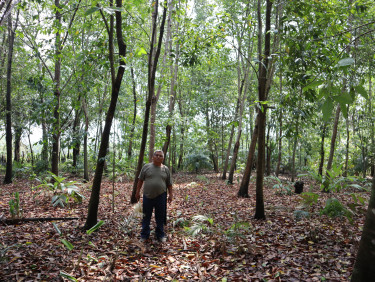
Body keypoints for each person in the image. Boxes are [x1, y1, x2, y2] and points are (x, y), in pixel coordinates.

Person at [135, 150, 173, 242]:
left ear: (163, 158)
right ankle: (144, 235)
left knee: (160, 216)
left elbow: (169, 183)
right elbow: (140, 180)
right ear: (153, 157)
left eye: (160, 156)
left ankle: (160, 235)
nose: (158, 157)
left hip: (161, 196)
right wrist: (137, 192)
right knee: (146, 216)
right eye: (156, 155)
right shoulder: (146, 167)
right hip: (147, 196)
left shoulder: (165, 169)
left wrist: (170, 195)